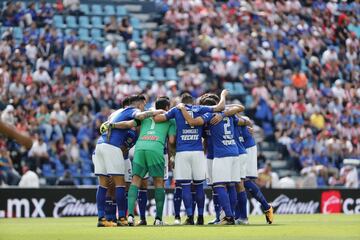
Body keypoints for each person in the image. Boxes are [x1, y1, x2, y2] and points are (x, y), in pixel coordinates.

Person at [153, 90, 227, 225]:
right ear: (193, 102)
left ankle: (190, 217)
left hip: (182, 153)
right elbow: (220, 107)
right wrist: (223, 95)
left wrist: (152, 112)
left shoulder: (177, 109)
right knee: (199, 187)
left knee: (185, 187)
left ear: (182, 101)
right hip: (198, 152)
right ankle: (200, 217)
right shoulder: (201, 108)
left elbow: (158, 118)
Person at [92, 95, 163, 227]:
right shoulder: (132, 110)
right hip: (112, 146)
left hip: (100, 145)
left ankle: (102, 219)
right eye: (144, 105)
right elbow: (140, 116)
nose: (144, 108)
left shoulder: (116, 113)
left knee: (103, 185)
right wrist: (156, 112)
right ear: (140, 104)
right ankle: (122, 218)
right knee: (120, 184)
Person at [107, 97, 176, 226]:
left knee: (135, 182)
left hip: (140, 148)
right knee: (159, 183)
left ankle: (131, 217)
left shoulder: (144, 117)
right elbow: (171, 141)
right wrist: (173, 155)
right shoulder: (170, 119)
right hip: (155, 149)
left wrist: (112, 124)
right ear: (167, 108)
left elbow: (128, 124)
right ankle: (158, 219)